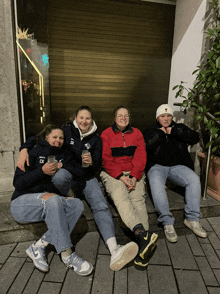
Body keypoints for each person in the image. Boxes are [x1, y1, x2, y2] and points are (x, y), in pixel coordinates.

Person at [17, 106, 138, 271]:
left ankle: (114, 249)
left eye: (87, 118)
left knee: (101, 206)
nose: (84, 121)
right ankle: (68, 197)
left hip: (87, 177)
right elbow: (40, 135)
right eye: (81, 118)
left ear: (91, 120)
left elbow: (96, 166)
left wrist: (90, 163)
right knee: (59, 176)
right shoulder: (67, 130)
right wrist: (24, 149)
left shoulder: (96, 139)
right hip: (68, 174)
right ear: (76, 118)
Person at [11, 124, 93, 276]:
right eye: (55, 137)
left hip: (48, 203)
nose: (58, 140)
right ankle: (67, 255)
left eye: (61, 138)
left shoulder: (64, 154)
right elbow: (18, 183)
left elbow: (80, 171)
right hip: (22, 203)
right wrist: (41, 171)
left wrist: (64, 165)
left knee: (76, 205)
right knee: (54, 200)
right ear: (47, 137)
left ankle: (39, 246)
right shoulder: (33, 152)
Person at [100, 106, 158, 267]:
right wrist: (122, 177)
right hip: (113, 174)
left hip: (134, 172)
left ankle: (143, 245)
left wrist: (134, 176)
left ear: (129, 117)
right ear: (114, 118)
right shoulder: (106, 134)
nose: (123, 118)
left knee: (138, 200)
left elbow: (141, 157)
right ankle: (142, 237)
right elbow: (106, 160)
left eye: (126, 115)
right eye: (120, 115)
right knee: (121, 198)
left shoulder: (137, 133)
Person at [143, 104, 207, 243]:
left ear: (172, 117)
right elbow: (146, 146)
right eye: (162, 116)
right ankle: (167, 222)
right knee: (156, 183)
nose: (166, 119)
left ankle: (192, 219)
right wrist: (160, 133)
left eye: (168, 116)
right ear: (157, 117)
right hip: (157, 167)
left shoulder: (179, 128)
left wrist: (175, 131)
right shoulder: (151, 130)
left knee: (194, 180)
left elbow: (194, 138)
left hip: (177, 167)